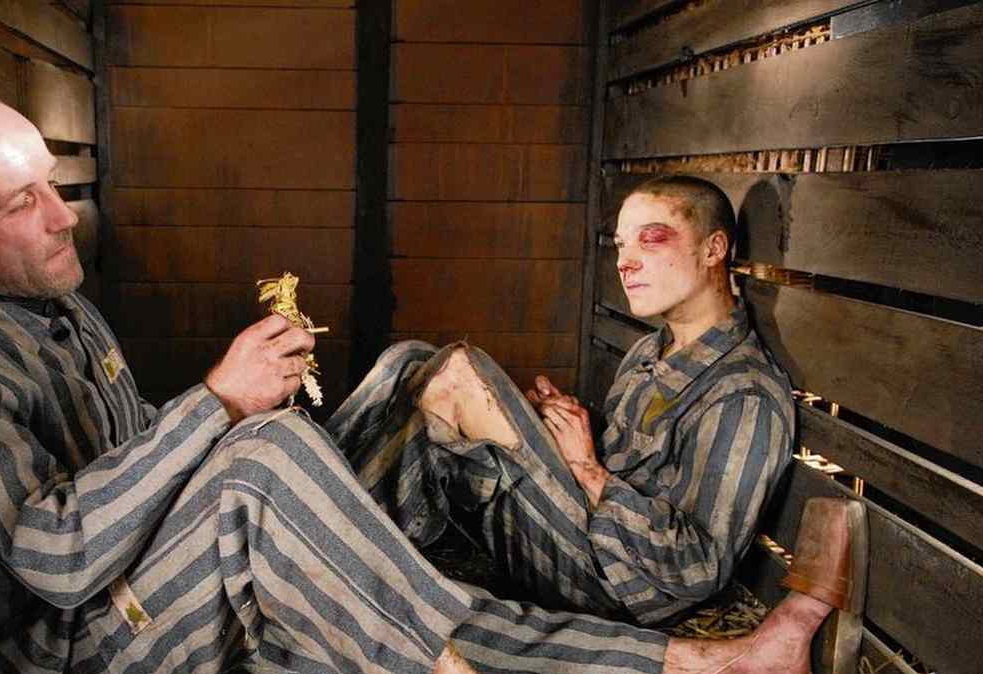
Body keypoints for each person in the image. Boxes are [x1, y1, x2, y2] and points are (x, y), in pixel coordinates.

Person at [0, 95, 847, 674]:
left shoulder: (53, 299)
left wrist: (246, 414)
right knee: (276, 471)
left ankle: (725, 667)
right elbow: (53, 562)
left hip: (145, 587)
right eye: (22, 204)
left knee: (398, 431)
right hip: (66, 666)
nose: (61, 220)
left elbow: (135, 456)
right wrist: (217, 406)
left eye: (53, 186)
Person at [328, 176, 795, 629]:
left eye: (651, 241)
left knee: (456, 374)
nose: (625, 263)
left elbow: (700, 567)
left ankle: (324, 541)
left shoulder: (743, 395)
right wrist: (561, 424)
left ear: (714, 249)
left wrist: (588, 470)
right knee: (411, 359)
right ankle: (318, 512)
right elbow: (630, 461)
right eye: (621, 245)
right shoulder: (650, 352)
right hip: (576, 525)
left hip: (610, 584)